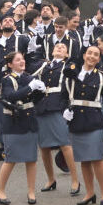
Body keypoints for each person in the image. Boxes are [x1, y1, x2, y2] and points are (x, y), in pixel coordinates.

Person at [62, 44, 103, 205]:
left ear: (99, 59)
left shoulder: (101, 77)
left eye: (96, 55)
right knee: (84, 160)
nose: (92, 56)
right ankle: (90, 193)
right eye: (89, 53)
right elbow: (63, 96)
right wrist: (64, 110)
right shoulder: (71, 74)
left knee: (97, 159)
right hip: (76, 121)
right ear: (84, 56)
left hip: (94, 121)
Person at [0, 51, 43, 204]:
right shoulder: (7, 80)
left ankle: (31, 191)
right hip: (14, 122)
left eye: (22, 59)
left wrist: (41, 91)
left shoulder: (30, 78)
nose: (22, 61)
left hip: (29, 121)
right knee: (10, 159)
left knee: (31, 159)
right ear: (10, 64)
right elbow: (11, 96)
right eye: (17, 60)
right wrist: (30, 87)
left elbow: (35, 100)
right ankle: (0, 191)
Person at [36, 42, 80, 195]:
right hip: (42, 106)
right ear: (51, 51)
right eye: (57, 47)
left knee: (64, 144)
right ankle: (50, 179)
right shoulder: (43, 66)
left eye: (63, 48)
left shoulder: (68, 65)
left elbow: (74, 74)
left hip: (58, 106)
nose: (59, 48)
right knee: (44, 146)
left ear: (67, 54)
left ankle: (75, 180)